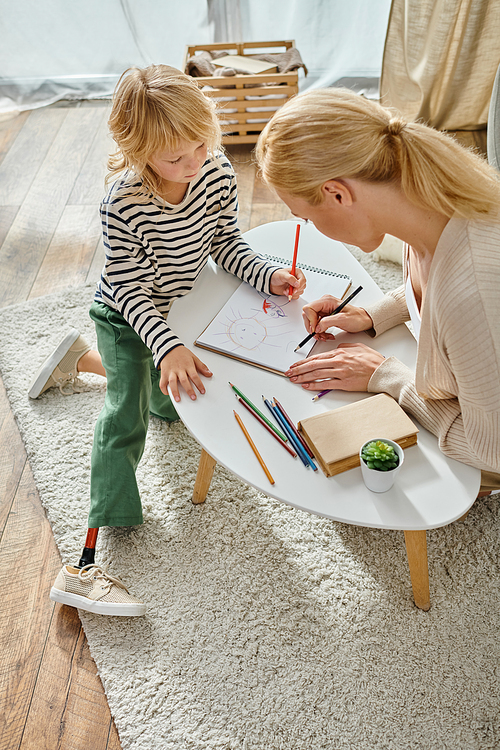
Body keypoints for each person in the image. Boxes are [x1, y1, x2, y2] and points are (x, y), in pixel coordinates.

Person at [31, 65, 305, 616]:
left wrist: (265, 276)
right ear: (137, 153)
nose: (193, 164)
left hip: (179, 308)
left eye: (200, 147)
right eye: (175, 159)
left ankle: (78, 361)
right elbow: (129, 291)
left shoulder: (216, 170)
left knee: (171, 403)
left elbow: (226, 245)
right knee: (125, 414)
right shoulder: (122, 201)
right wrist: (167, 346)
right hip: (125, 316)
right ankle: (100, 535)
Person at [255, 87, 500, 497]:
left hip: (485, 452)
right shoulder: (430, 206)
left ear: (337, 193)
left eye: (308, 217)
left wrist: (386, 377)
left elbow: (491, 449)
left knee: (344, 471)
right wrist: (374, 314)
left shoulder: (474, 290)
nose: (313, 228)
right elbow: (437, 290)